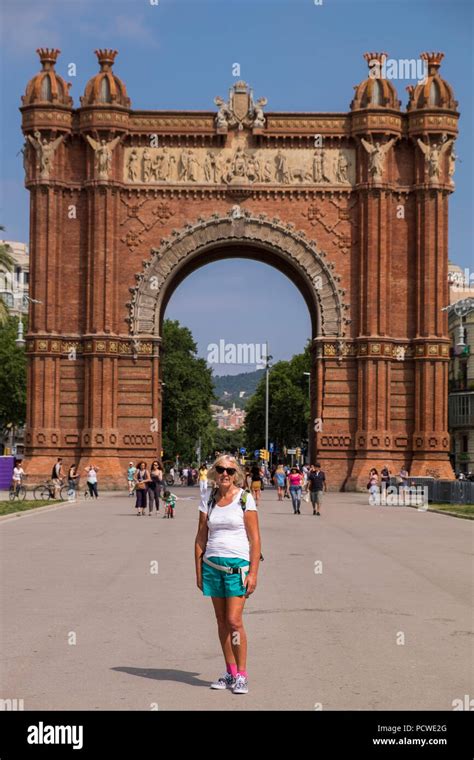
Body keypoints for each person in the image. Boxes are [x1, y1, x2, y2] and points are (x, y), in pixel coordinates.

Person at [195, 455, 261, 695]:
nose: (225, 474)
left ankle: (242, 674)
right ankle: (230, 672)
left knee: (234, 621)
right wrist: (199, 571)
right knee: (221, 622)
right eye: (221, 469)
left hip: (238, 567)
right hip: (213, 566)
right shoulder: (208, 499)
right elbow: (201, 537)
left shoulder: (245, 498)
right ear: (215, 472)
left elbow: (255, 540)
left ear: (236, 475)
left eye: (230, 471)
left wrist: (253, 573)